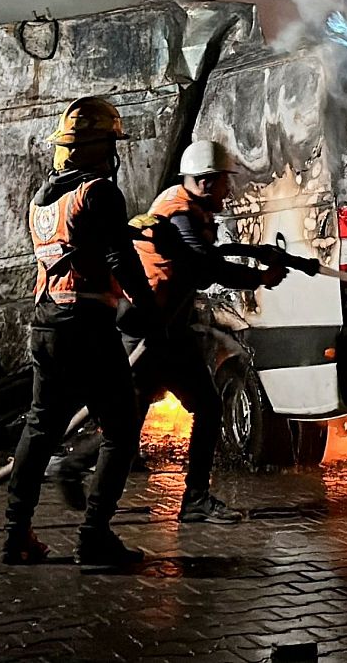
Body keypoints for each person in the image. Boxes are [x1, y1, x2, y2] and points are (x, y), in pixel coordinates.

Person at [57, 139, 286, 525]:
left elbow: (206, 258)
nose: (229, 191)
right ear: (206, 182)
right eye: (225, 182)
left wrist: (258, 256)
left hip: (165, 329)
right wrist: (259, 277)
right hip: (148, 331)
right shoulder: (179, 214)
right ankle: (77, 469)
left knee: (190, 409)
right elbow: (204, 267)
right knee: (130, 420)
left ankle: (193, 498)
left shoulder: (185, 207)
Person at [2, 97, 163, 567]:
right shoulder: (100, 192)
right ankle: (94, 537)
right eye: (110, 142)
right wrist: (149, 309)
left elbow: (84, 241)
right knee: (121, 428)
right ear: (94, 147)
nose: (114, 152)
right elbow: (118, 258)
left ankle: (16, 536)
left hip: (45, 322)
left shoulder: (42, 199)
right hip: (87, 326)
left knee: (39, 428)